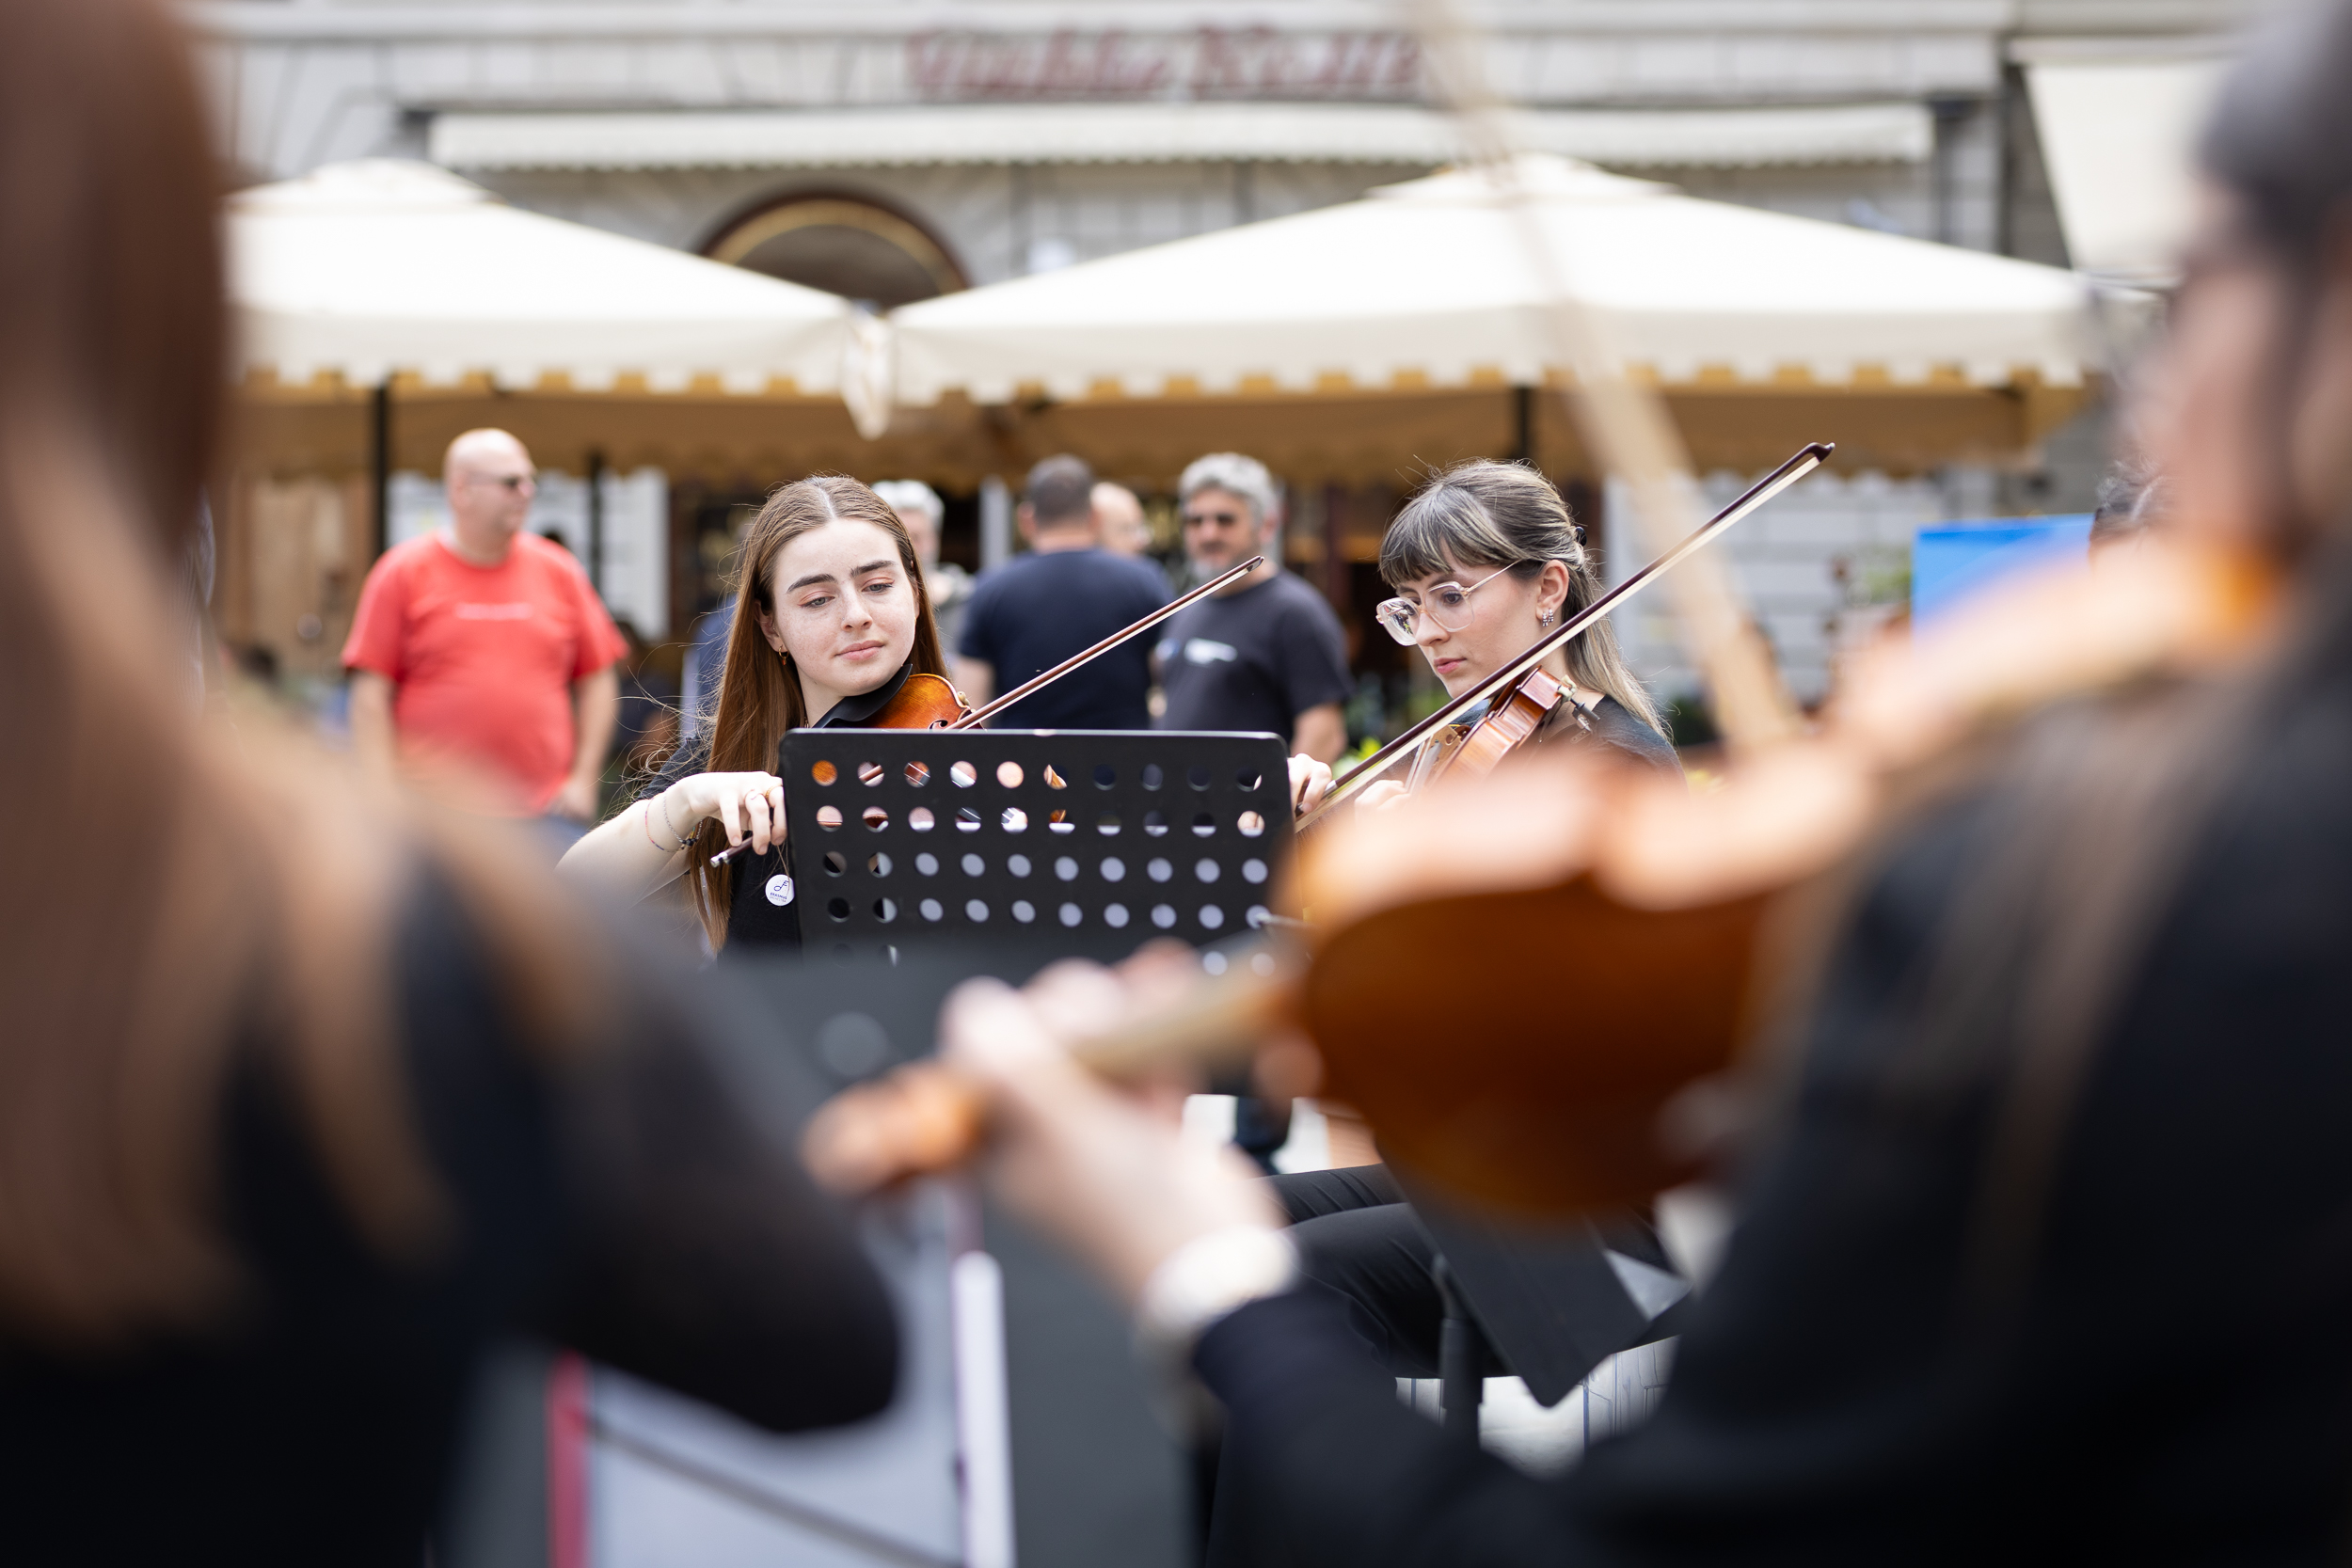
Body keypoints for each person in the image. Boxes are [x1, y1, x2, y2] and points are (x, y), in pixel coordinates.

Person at [914, 1, 2352, 1558]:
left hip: (1558, 1217)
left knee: (1281, 1279)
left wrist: (1201, 1266)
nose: (2153, 396)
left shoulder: (2134, 903)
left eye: (2197, 289)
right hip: (1493, 1185)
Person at [0, 4, 898, 1561]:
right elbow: (825, 1345)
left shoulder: (548, 591)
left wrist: (566, 768)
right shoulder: (399, 945)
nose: (518, 491)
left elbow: (586, 672)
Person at [560, 476, 954, 953]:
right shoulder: (734, 759)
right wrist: (684, 802)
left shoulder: (960, 750)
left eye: (878, 585)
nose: (856, 614)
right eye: (817, 599)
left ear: (915, 594)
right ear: (771, 627)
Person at [343, 428, 626, 832]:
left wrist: (583, 781)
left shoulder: (559, 570)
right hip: (430, 816)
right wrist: (381, 793)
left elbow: (599, 679)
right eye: (511, 482)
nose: (526, 492)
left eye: (531, 480)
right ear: (462, 489)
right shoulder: (402, 572)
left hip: (544, 814)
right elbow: (369, 695)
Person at [1155, 453, 1351, 765]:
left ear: (1267, 525)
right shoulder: (1187, 606)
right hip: (1169, 796)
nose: (1208, 534)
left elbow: (1323, 735)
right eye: (1195, 521)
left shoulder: (1296, 611)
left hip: (1248, 798)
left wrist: (1282, 796)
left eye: (1225, 520)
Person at [956, 454, 1169, 729]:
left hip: (1025, 755)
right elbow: (1170, 682)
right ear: (1095, 517)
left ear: (1026, 519)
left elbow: (971, 710)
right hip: (1125, 755)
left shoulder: (990, 589)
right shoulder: (1143, 580)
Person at [876, 478, 977, 652]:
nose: (909, 549)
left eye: (916, 537)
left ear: (935, 539)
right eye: (898, 539)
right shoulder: (861, 610)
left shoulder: (972, 601)